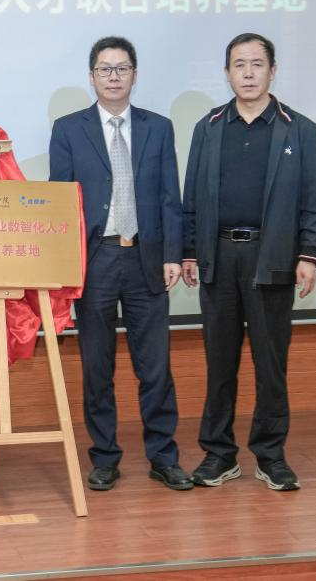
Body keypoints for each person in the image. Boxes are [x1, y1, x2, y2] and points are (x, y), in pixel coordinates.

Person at [182, 32, 316, 491]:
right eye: (239, 65)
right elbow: (191, 199)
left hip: (273, 257)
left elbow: (314, 200)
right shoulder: (208, 127)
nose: (247, 73)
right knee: (219, 363)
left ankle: (271, 455)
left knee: (270, 363)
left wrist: (308, 255)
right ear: (226, 73)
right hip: (219, 257)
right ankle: (218, 454)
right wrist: (190, 251)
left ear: (273, 71)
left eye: (256, 64)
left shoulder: (299, 129)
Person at [49, 36, 191, 492]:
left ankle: (163, 457)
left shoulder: (158, 127)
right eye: (105, 69)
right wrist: (67, 264)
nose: (113, 77)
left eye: (122, 68)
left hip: (147, 258)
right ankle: (105, 457)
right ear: (91, 76)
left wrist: (173, 254)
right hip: (96, 260)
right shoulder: (68, 129)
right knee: (98, 365)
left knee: (155, 367)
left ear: (135, 74)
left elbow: (170, 196)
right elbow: (60, 203)